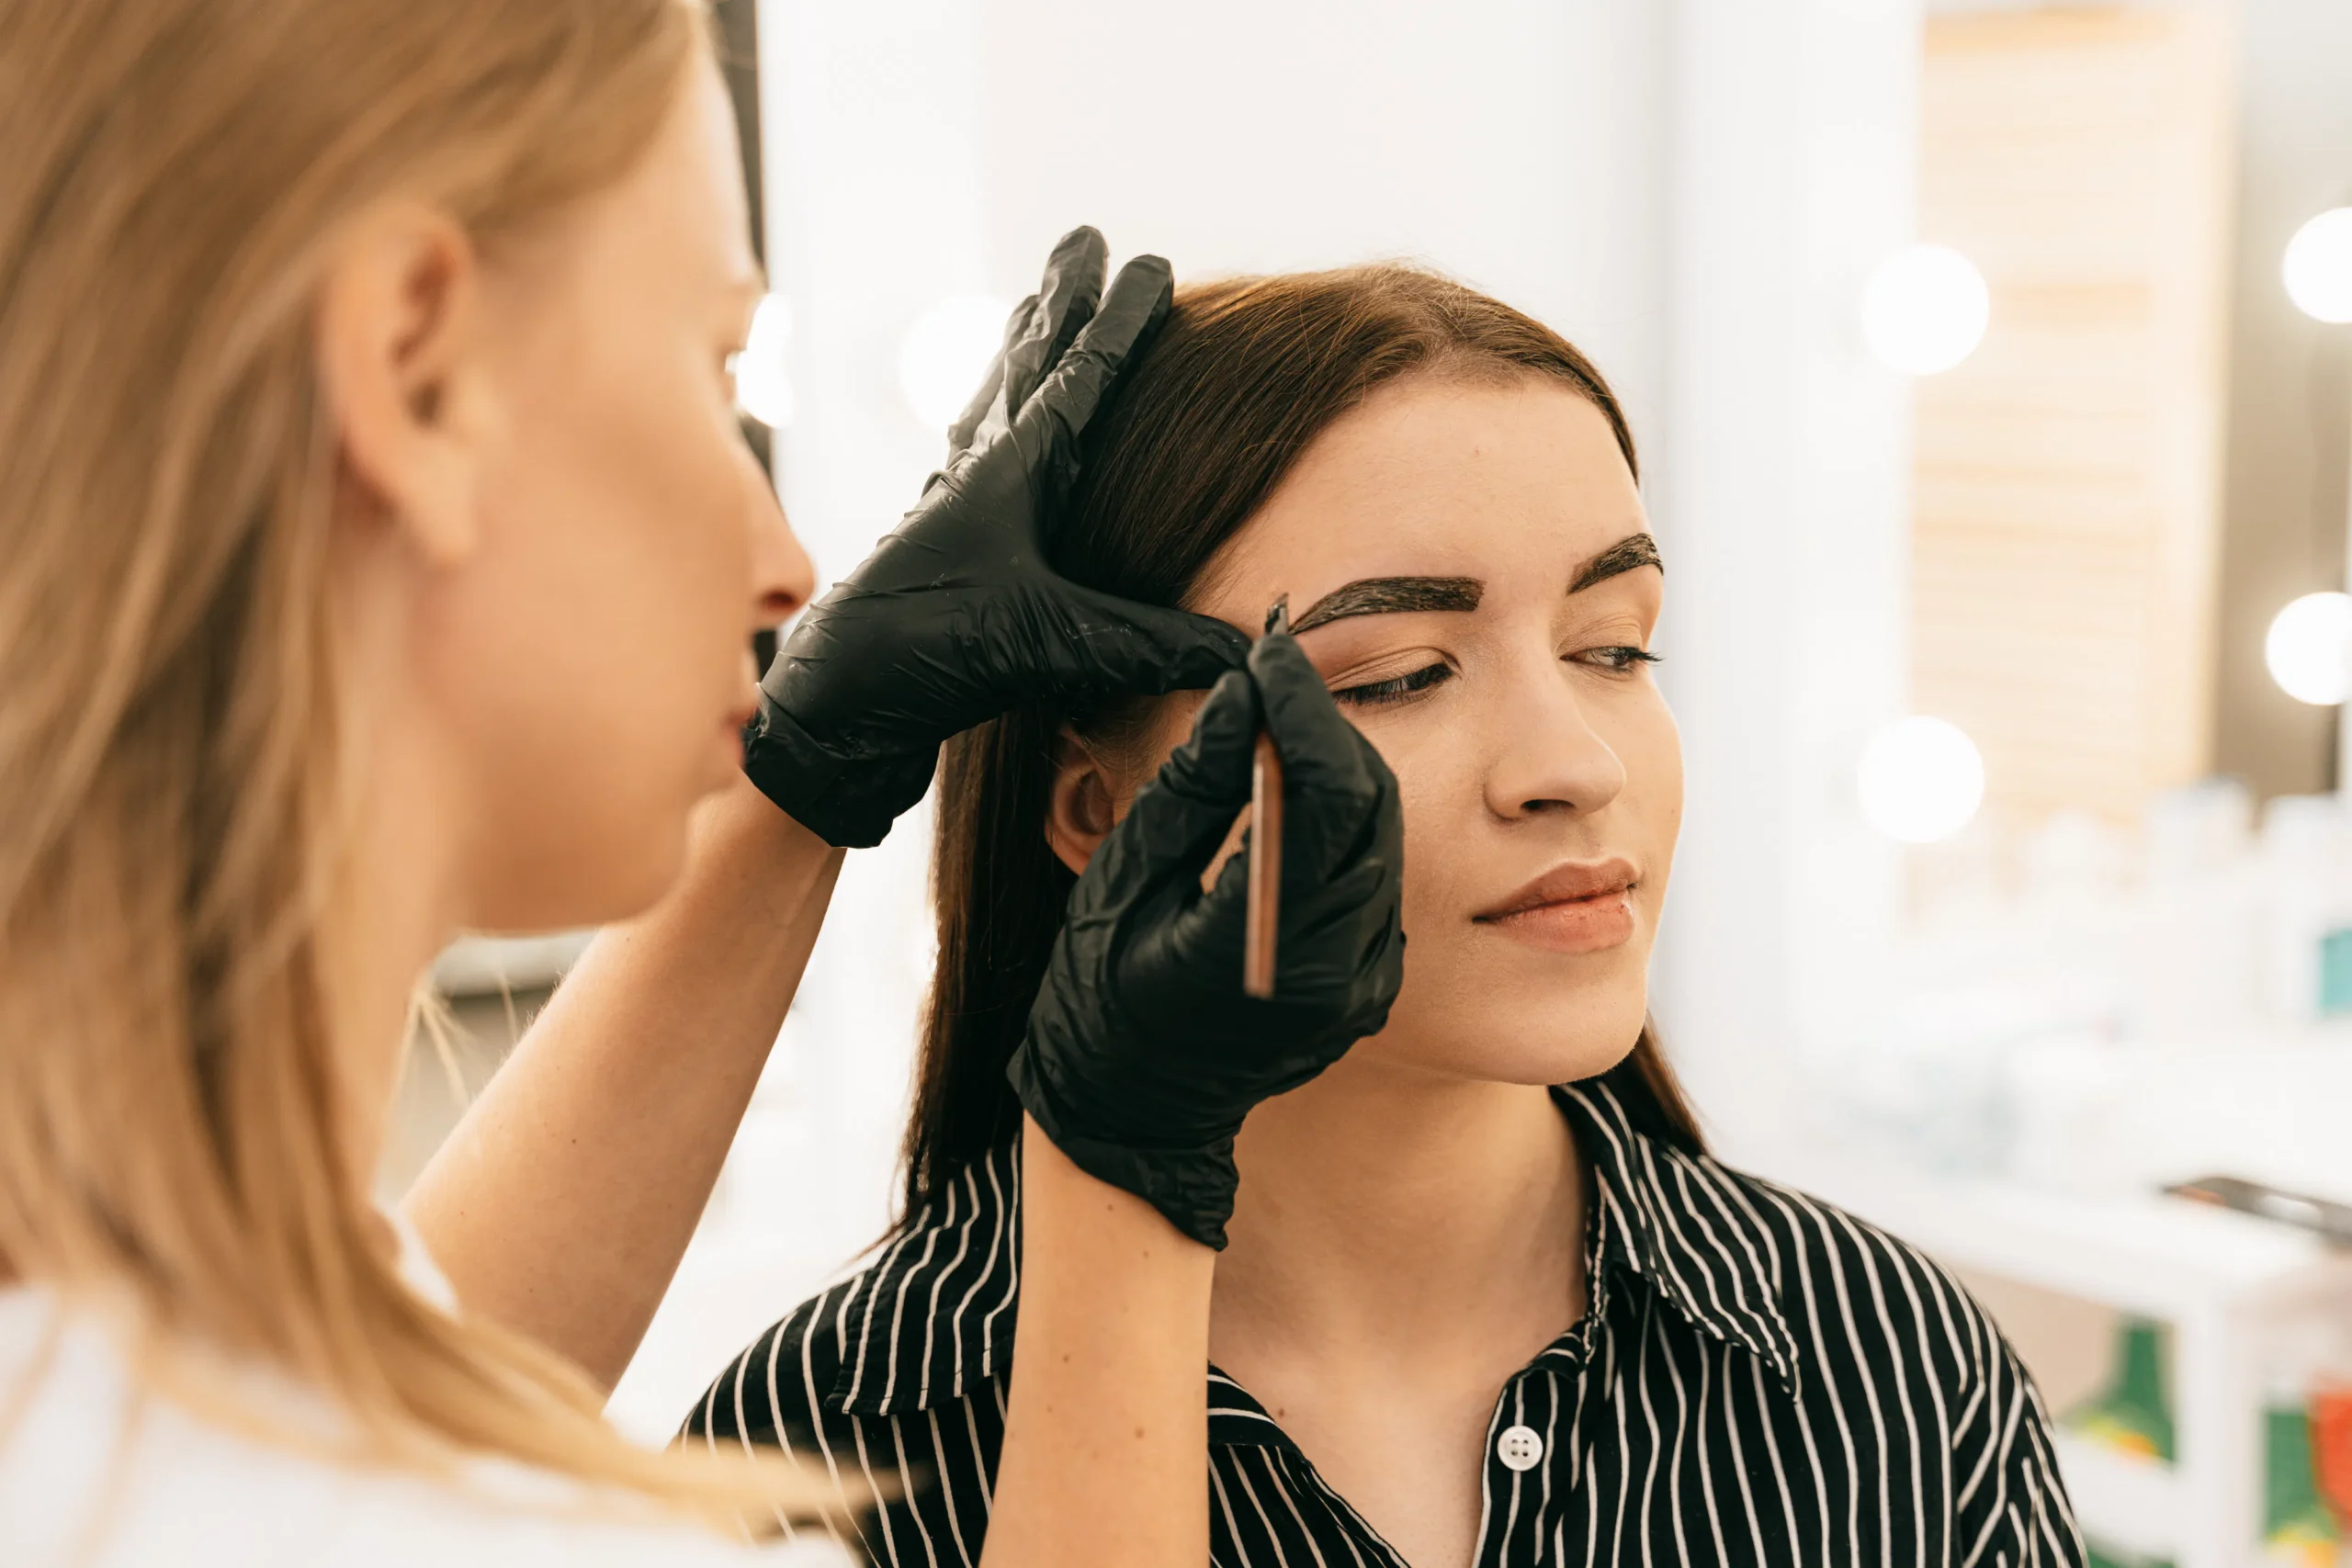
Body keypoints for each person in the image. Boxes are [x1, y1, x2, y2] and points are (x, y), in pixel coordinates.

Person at [1, 2, 1396, 1562]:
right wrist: (1124, 1173)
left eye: (1622, 646)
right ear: (413, 365)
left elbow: (380, 1398)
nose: (785, 562)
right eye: (720, 367)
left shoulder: (137, 1368)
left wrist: (800, 778)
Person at [689, 265, 2089, 1567]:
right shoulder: (813, 1457)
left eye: (1614, 645)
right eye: (1404, 672)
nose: (1576, 764)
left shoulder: (1892, 1363)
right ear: (1099, 811)